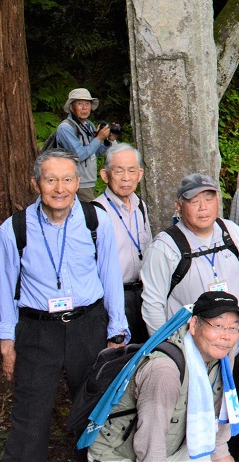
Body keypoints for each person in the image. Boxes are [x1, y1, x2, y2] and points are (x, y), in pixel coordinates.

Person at [0, 148, 128, 461]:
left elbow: (110, 277)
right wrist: (6, 342)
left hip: (88, 326)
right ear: (36, 183)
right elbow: (4, 290)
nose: (59, 188)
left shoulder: (96, 221)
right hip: (38, 330)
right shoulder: (13, 230)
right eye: (50, 180)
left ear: (78, 181)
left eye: (67, 180)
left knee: (96, 410)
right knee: (31, 414)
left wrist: (117, 330)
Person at [87, 291, 239, 462]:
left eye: (233, 328)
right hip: (119, 455)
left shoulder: (223, 356)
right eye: (218, 326)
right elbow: (151, 446)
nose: (226, 336)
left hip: (175, 446)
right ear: (194, 324)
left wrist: (220, 453)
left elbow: (219, 411)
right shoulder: (164, 370)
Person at [140, 173, 239, 338]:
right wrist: (164, 346)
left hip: (235, 341)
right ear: (179, 206)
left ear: (218, 200)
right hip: (188, 347)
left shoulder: (231, 232)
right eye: (194, 202)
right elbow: (153, 304)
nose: (203, 207)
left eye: (209, 200)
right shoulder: (165, 247)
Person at [95, 142, 153, 343]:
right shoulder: (96, 212)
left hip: (144, 294)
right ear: (105, 175)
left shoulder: (141, 206)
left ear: (140, 174)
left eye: (131, 170)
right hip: (114, 297)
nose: (126, 178)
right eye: (119, 171)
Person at [55, 87, 112, 201]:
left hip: (88, 181)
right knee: (88, 211)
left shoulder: (88, 125)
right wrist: (99, 138)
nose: (85, 108)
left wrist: (108, 140)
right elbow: (79, 155)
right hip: (76, 182)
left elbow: (94, 152)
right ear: (71, 107)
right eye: (80, 104)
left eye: (87, 103)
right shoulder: (65, 128)